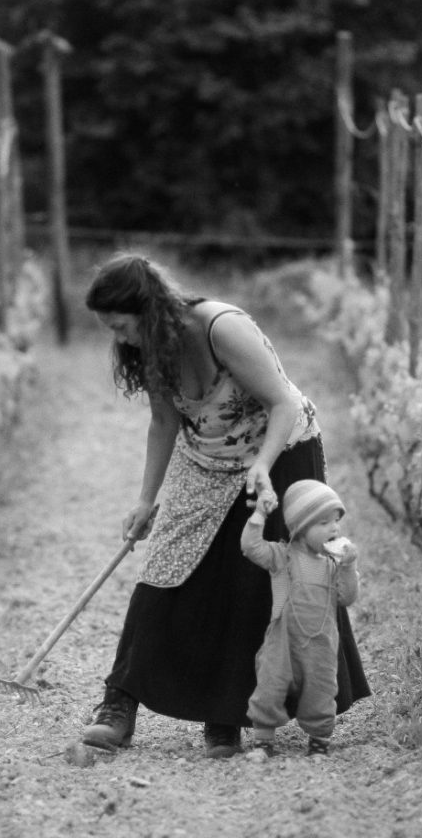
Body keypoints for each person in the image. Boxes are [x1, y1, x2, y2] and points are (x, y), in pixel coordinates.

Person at [77, 253, 370, 759]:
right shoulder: (151, 347)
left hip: (281, 449)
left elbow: (283, 402)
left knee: (256, 581)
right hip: (208, 457)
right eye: (111, 330)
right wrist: (146, 500)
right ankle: (118, 704)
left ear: (146, 310)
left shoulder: (221, 329)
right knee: (165, 569)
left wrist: (263, 465)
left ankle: (227, 716)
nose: (119, 339)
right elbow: (164, 424)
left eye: (121, 326)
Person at [239, 479, 360, 757]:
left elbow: (347, 598)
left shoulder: (332, 566)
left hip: (320, 645)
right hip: (282, 642)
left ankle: (318, 744)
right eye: (323, 523)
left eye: (336, 521)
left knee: (321, 690)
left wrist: (349, 567)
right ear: (301, 528)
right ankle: (262, 744)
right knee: (269, 687)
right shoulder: (282, 557)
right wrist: (259, 514)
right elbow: (250, 547)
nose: (334, 529)